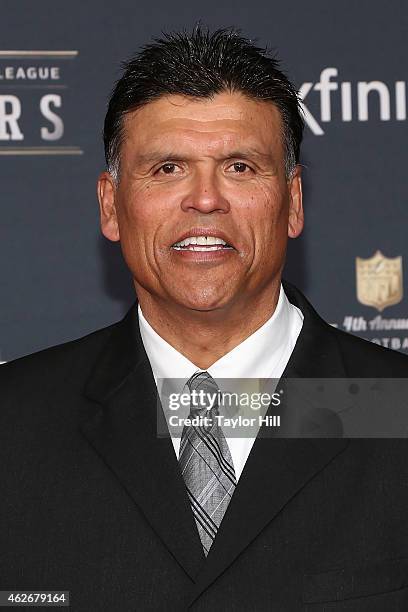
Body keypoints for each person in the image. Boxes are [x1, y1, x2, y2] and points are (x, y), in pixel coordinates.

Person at [1, 26, 408, 611]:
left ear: (292, 202)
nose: (206, 198)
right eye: (167, 168)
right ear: (110, 206)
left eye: (240, 166)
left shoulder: (394, 408)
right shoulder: (12, 423)